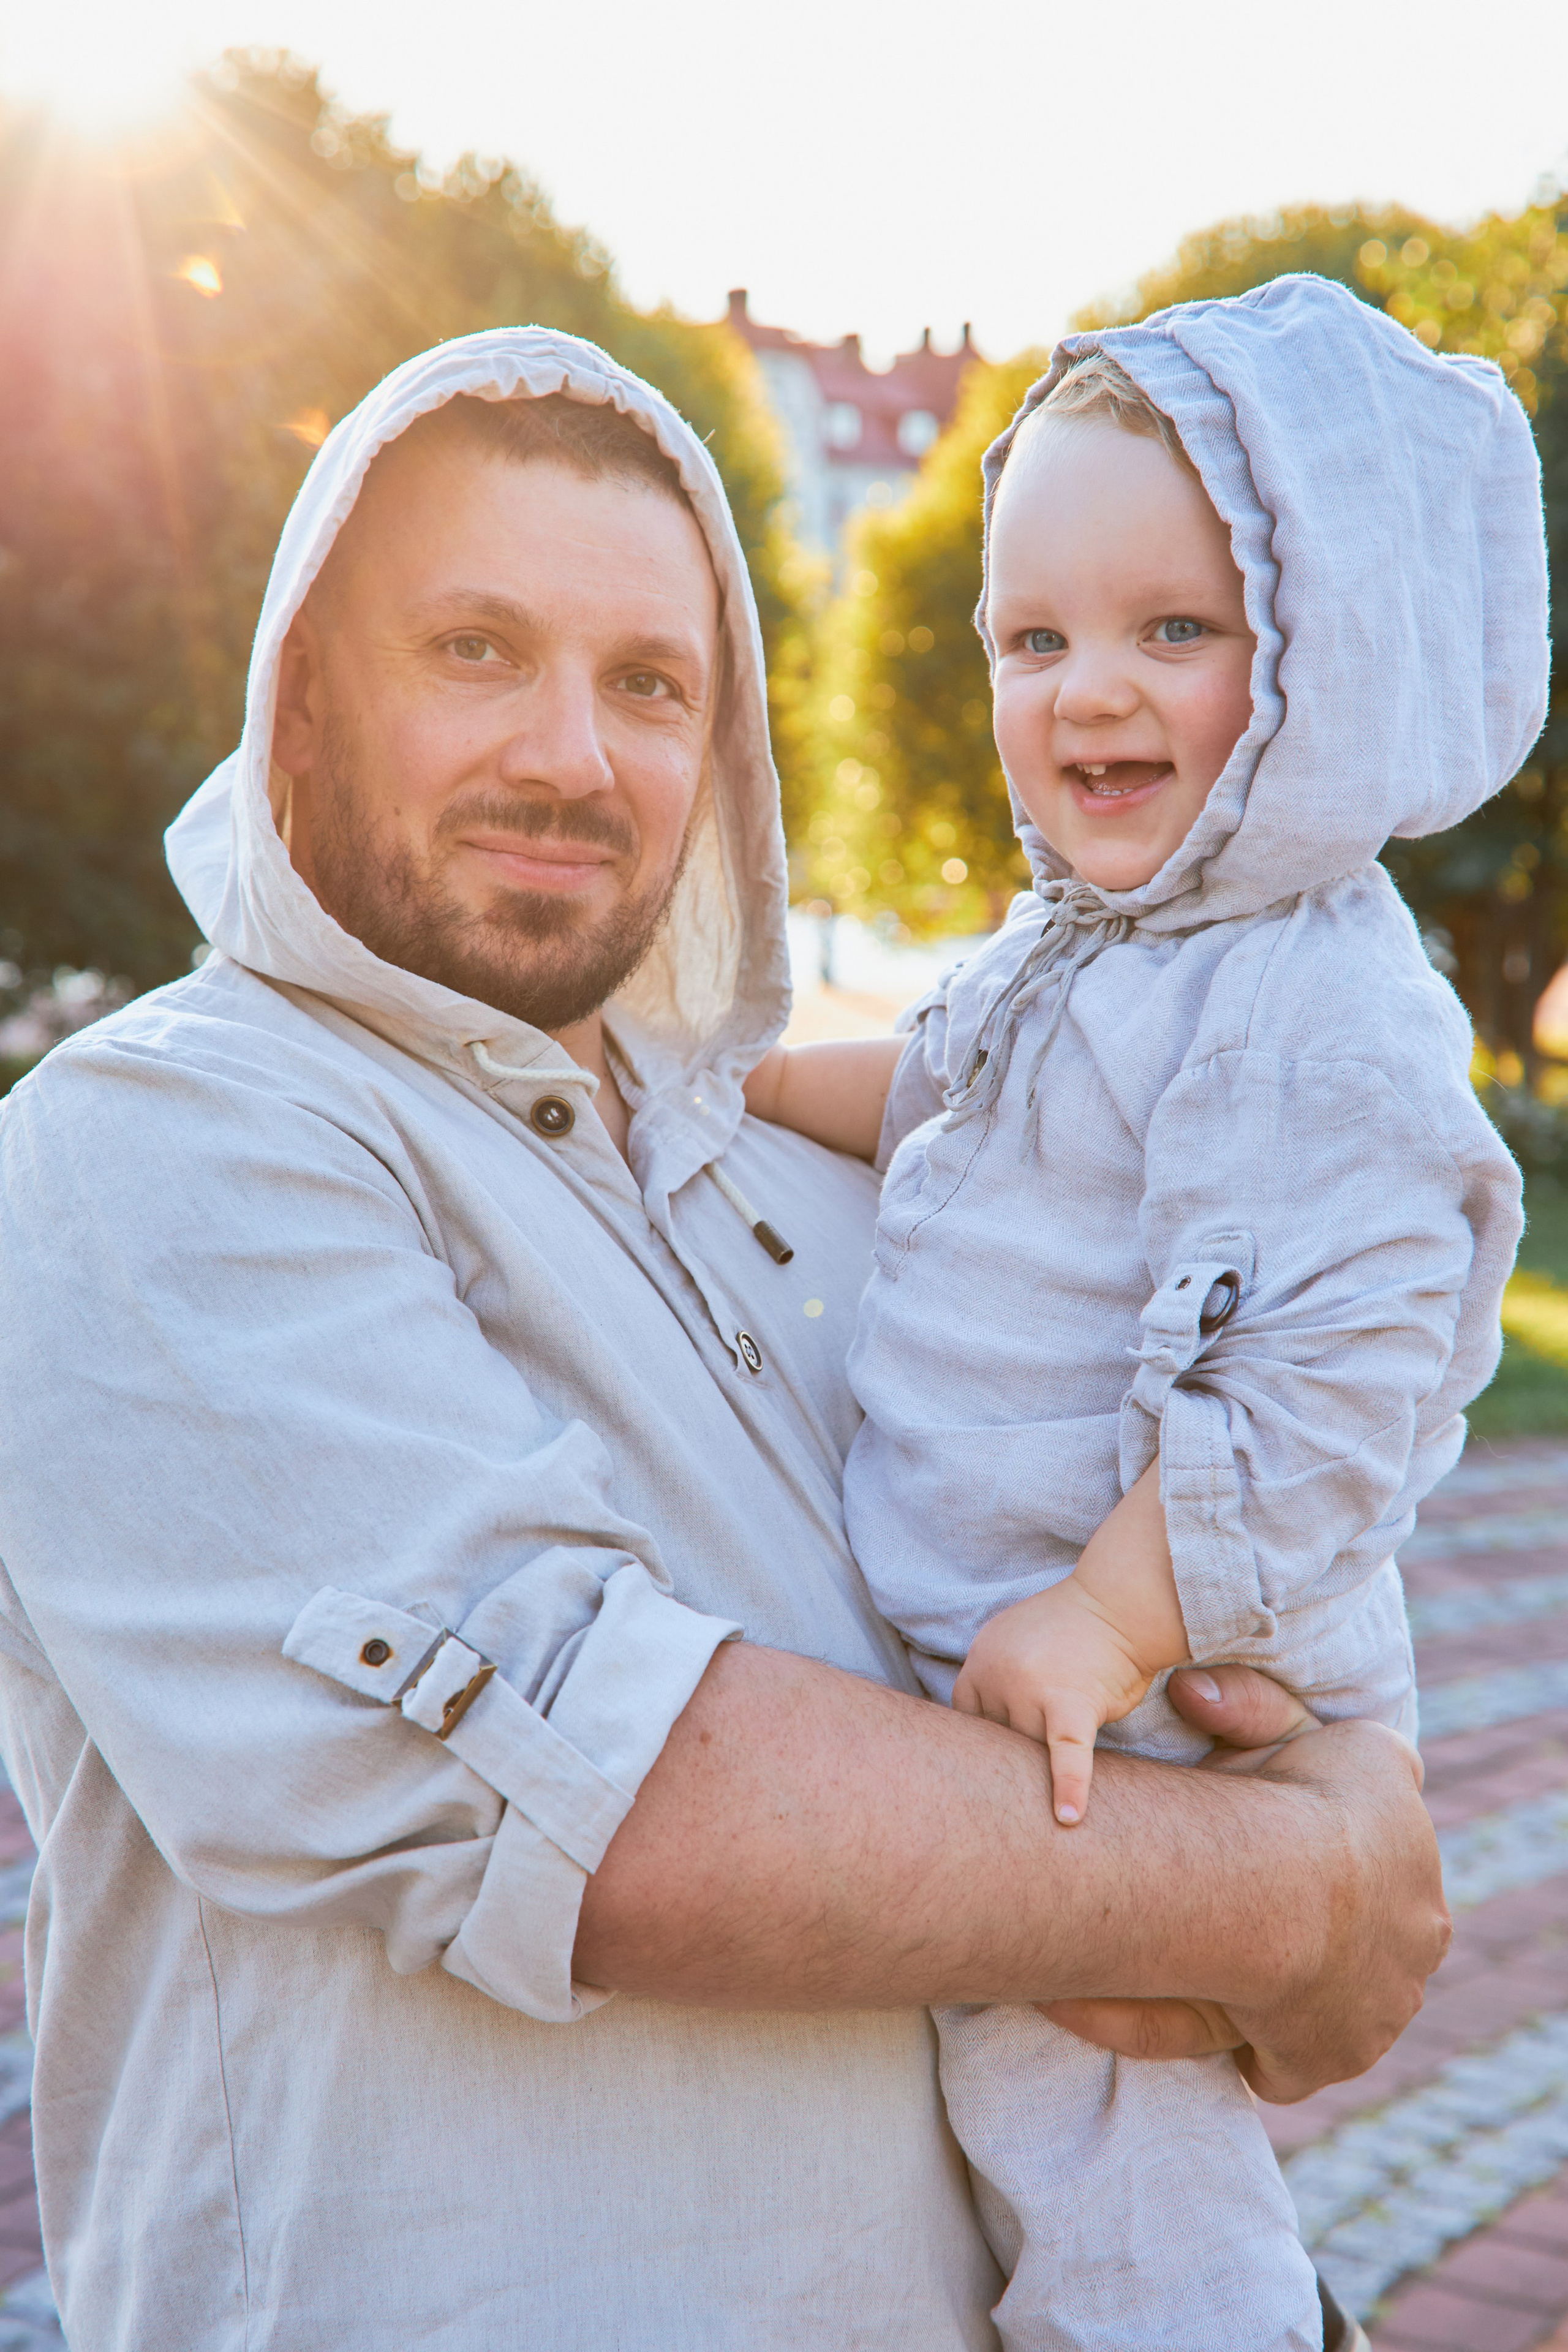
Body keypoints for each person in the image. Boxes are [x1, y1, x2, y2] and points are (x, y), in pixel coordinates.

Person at [0, 329, 1447, 2352]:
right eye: (476, 649)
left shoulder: (826, 1201)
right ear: (303, 703)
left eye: (650, 685)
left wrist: (1277, 1780)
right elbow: (589, 1798)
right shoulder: (157, 1141)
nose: (575, 758)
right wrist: (1295, 1891)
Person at [742, 276, 1545, 2350]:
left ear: (1327, 670)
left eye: (1175, 630)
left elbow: (1339, 1384)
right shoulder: (1086, 948)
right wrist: (731, 1082)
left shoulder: (1321, 1000)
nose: (1088, 689)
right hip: (1020, 1643)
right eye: (1038, 639)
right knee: (993, 2121)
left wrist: (1109, 1621)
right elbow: (923, 1080)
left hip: (1153, 1681)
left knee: (1113, 2139)